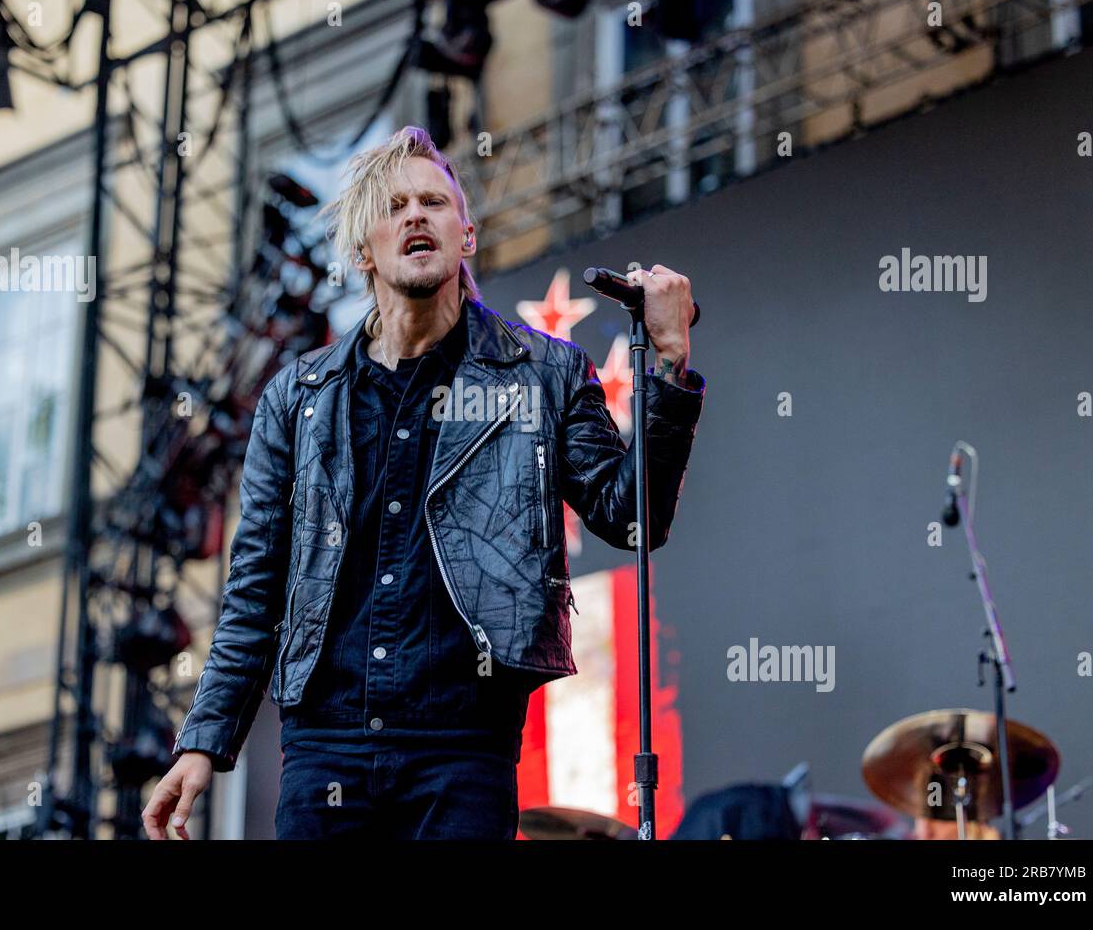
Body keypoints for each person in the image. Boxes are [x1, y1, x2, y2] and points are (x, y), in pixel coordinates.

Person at [143, 125, 705, 840]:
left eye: (435, 203)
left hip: (463, 746)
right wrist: (202, 740)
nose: (416, 215)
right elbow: (255, 586)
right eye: (396, 205)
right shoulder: (298, 398)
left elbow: (635, 519)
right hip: (326, 751)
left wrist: (669, 366)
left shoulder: (544, 373)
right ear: (360, 252)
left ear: (464, 235)